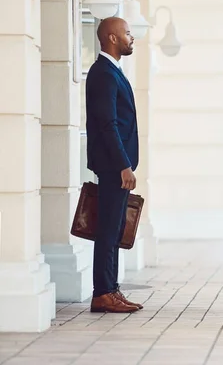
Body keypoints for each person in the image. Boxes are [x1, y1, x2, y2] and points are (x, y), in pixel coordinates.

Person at [86, 17, 143, 313]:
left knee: (115, 227)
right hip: (112, 166)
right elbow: (108, 124)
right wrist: (123, 165)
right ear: (112, 38)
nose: (132, 38)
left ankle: (110, 288)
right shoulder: (103, 73)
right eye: (128, 33)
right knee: (108, 229)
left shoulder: (112, 71)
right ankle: (102, 293)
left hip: (116, 165)